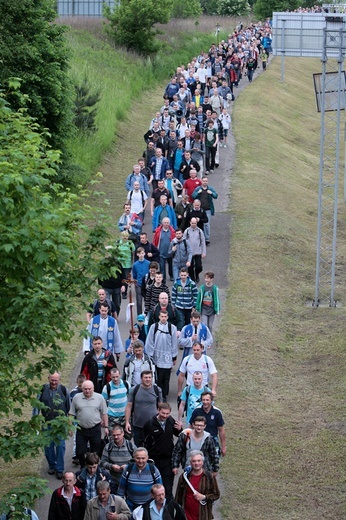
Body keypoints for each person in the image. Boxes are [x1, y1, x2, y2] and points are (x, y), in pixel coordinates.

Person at [142, 404, 182, 500]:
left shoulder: (170, 420)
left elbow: (178, 434)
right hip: (154, 461)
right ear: (158, 410)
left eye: (167, 413)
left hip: (168, 461)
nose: (165, 416)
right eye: (163, 413)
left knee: (167, 489)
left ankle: (167, 511)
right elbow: (142, 441)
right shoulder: (149, 424)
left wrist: (180, 429)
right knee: (154, 489)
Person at [35, 372, 70, 479]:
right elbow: (36, 406)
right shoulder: (42, 389)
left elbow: (69, 407)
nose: (54, 382)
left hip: (60, 423)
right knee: (48, 446)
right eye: (52, 380)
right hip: (46, 422)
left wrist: (69, 423)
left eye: (56, 380)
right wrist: (35, 421)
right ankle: (52, 465)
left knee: (60, 446)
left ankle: (59, 469)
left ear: (59, 380)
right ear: (48, 379)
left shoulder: (64, 390)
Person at [69, 380, 109, 467]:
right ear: (82, 389)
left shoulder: (99, 398)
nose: (87, 391)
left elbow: (105, 413)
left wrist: (106, 427)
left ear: (93, 388)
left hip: (95, 428)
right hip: (81, 429)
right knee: (80, 452)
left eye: (89, 389)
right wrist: (70, 427)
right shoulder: (76, 398)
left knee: (96, 451)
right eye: (85, 389)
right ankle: (84, 467)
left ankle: (94, 467)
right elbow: (71, 413)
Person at [175, 451, 220, 520]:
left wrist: (204, 497)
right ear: (190, 463)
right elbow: (178, 497)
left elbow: (216, 495)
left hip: (203, 515)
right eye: (194, 461)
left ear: (202, 462)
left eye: (199, 461)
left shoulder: (209, 477)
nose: (196, 463)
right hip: (186, 516)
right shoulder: (184, 477)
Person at [145, 310, 178, 401]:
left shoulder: (172, 328)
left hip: (167, 356)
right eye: (162, 316)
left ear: (167, 317)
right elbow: (150, 341)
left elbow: (174, 343)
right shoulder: (154, 327)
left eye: (165, 316)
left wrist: (174, 356)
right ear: (159, 317)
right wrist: (150, 354)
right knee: (158, 376)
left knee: (166, 377)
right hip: (157, 355)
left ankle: (164, 395)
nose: (163, 318)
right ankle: (158, 394)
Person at [124, 371, 162, 447]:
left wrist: (161, 422)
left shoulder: (157, 390)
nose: (148, 379)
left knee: (153, 446)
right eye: (145, 377)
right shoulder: (134, 390)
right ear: (141, 378)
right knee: (138, 447)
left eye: (149, 377)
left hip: (153, 425)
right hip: (137, 425)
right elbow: (128, 406)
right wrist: (127, 422)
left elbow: (161, 407)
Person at [101, 425, 136, 494]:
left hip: (129, 480)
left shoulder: (131, 446)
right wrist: (111, 466)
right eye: (114, 435)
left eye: (118, 435)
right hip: (114, 481)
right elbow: (103, 462)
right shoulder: (108, 447)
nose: (116, 437)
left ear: (123, 434)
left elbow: (138, 462)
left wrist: (128, 467)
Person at [190, 392, 226, 457]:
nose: (205, 402)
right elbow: (191, 427)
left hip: (213, 441)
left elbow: (221, 430)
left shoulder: (217, 412)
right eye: (203, 400)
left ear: (211, 401)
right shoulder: (196, 411)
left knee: (214, 464)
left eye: (207, 400)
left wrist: (223, 446)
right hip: (199, 441)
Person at [192, 177, 218, 245]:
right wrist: (198, 193)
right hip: (199, 210)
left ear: (207, 181)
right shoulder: (198, 189)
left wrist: (211, 193)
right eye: (203, 181)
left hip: (208, 209)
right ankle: (199, 237)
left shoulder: (210, 189)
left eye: (206, 181)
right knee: (198, 223)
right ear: (201, 181)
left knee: (206, 224)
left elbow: (216, 196)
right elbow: (193, 196)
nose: (205, 182)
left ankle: (206, 239)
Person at [102, 368, 129, 432]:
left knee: (127, 438)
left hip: (125, 416)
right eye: (113, 377)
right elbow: (102, 403)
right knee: (113, 438)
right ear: (110, 376)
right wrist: (103, 418)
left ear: (120, 375)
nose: (115, 379)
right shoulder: (107, 387)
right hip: (112, 417)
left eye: (117, 376)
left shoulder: (126, 384)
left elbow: (130, 398)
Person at [152, 217, 176, 282]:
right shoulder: (158, 231)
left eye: (167, 223)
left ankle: (171, 275)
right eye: (165, 222)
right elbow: (155, 241)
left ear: (169, 223)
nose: (166, 224)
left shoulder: (172, 231)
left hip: (170, 252)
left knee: (171, 266)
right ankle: (163, 279)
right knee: (162, 267)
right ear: (162, 223)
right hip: (161, 252)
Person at [183, 217, 206, 283]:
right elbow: (184, 241)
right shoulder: (186, 231)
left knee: (199, 266)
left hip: (197, 252)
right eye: (192, 223)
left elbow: (203, 241)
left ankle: (197, 274)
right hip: (189, 252)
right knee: (190, 267)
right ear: (190, 222)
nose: (193, 224)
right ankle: (192, 279)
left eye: (195, 223)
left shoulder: (199, 231)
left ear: (196, 223)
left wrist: (203, 252)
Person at [132, 247, 150, 316]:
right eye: (140, 253)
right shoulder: (135, 265)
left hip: (147, 284)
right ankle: (139, 316)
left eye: (142, 253)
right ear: (137, 254)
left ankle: (147, 314)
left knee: (147, 300)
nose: (141, 255)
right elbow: (134, 275)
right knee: (139, 301)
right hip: (139, 284)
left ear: (144, 253)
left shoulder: (148, 263)